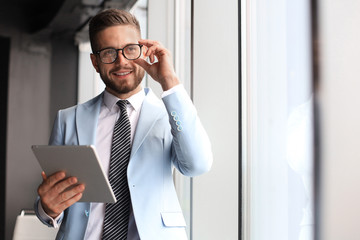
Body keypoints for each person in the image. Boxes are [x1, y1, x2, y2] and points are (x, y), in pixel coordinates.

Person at [34, 8, 212, 240]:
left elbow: (197, 165)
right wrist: (48, 208)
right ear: (95, 62)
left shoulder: (170, 114)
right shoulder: (68, 119)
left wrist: (170, 81)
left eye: (130, 50)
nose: (121, 62)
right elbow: (49, 199)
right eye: (109, 53)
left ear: (143, 51)